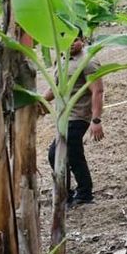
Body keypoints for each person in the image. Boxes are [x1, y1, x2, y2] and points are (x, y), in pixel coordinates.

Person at [45, 33, 104, 206]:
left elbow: (97, 91)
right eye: (67, 40)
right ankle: (79, 194)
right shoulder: (61, 59)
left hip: (79, 115)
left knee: (57, 154)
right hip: (63, 117)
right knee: (72, 154)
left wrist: (96, 120)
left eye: (75, 40)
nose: (71, 43)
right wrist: (39, 102)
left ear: (82, 40)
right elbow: (54, 88)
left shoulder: (88, 61)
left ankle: (75, 194)